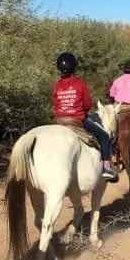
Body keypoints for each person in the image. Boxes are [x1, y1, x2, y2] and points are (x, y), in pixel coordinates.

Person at [52, 52, 119, 183]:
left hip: (58, 121)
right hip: (77, 120)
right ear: (74, 67)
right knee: (104, 136)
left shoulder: (56, 86)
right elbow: (87, 104)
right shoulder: (79, 83)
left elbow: (55, 103)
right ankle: (107, 168)